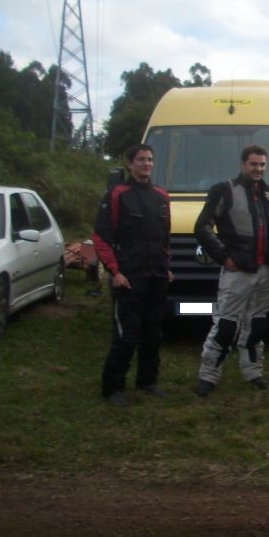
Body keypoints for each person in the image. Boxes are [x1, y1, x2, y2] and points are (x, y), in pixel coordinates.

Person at [194, 145, 269, 397]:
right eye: (253, 164)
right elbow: (203, 227)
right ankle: (208, 376)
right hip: (238, 271)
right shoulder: (225, 190)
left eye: (262, 164)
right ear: (242, 164)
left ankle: (253, 371)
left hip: (265, 270)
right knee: (226, 324)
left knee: (257, 324)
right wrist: (224, 257)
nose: (258, 169)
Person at [94, 144, 172, 407]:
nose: (146, 164)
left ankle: (147, 380)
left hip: (156, 276)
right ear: (130, 164)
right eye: (141, 160)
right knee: (126, 335)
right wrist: (114, 272)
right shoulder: (118, 194)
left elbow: (164, 238)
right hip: (128, 277)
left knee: (153, 334)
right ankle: (113, 387)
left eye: (150, 159)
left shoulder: (162, 195)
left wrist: (166, 266)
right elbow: (101, 238)